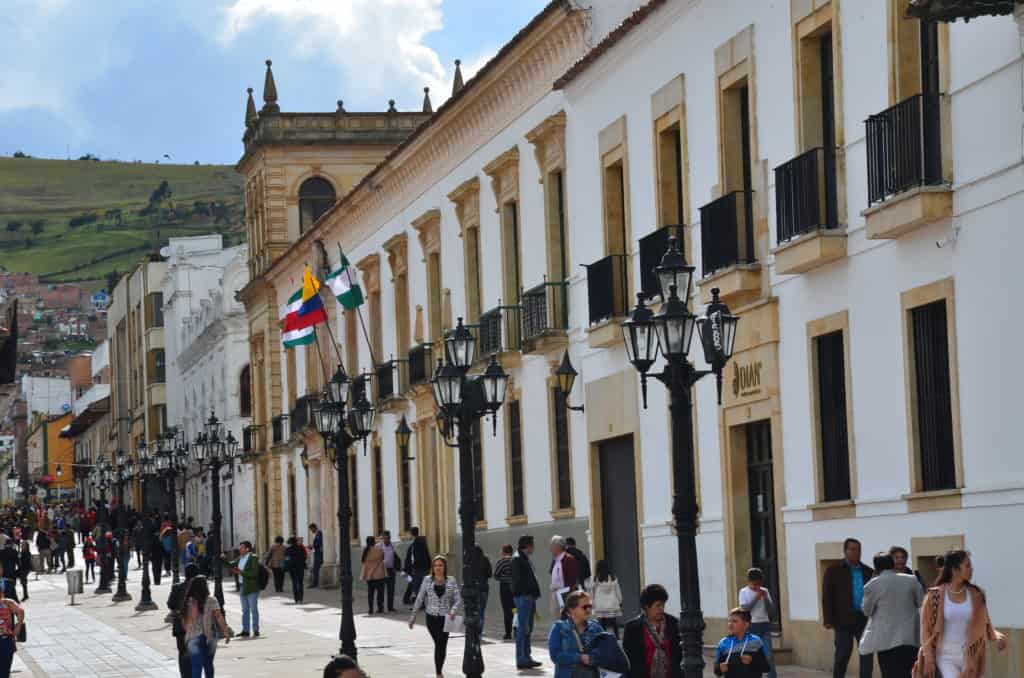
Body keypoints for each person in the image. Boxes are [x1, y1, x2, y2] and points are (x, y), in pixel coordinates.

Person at [915, 550, 1007, 678]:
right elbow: (926, 630)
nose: (971, 569)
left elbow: (985, 624)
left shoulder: (976, 594)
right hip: (945, 657)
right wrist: (929, 657)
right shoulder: (934, 596)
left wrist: (996, 636)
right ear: (955, 569)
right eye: (967, 566)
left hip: (971, 656)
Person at [859, 552, 922, 678]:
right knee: (909, 673)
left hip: (885, 641)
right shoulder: (911, 579)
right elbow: (921, 601)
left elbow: (866, 611)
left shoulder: (873, 584)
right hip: (909, 637)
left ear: (876, 567)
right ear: (892, 564)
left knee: (889, 674)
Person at [822, 538, 875, 678]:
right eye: (852, 549)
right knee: (842, 654)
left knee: (866, 654)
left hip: (864, 619)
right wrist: (828, 619)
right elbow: (827, 596)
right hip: (842, 620)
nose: (856, 552)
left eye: (858, 549)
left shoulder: (868, 571)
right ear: (845, 551)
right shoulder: (834, 570)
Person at [408, 555, 462, 678]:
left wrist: (453, 610)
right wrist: (413, 617)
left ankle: (439, 670)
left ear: (445, 567)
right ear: (432, 567)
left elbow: (458, 599)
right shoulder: (427, 580)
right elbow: (420, 598)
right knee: (439, 644)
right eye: (436, 565)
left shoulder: (451, 580)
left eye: (440, 565)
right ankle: (438, 673)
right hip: (431, 617)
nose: (438, 568)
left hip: (446, 618)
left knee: (443, 645)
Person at [623, 584, 683, 678]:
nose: (662, 609)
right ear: (647, 607)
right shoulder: (632, 629)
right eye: (658, 605)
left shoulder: (673, 624)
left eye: (663, 605)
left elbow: (679, 654)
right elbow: (630, 659)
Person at [181, 575, 233, 678]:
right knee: (208, 664)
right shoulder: (212, 600)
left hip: (193, 637)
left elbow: (185, 625)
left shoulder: (189, 601)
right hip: (210, 637)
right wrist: (225, 631)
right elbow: (219, 617)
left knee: (196, 666)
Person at [548, 590, 604, 678]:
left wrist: (594, 657)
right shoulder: (559, 627)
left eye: (590, 606)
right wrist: (580, 657)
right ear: (571, 610)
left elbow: (605, 652)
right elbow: (555, 656)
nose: (589, 610)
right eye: (585, 607)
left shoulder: (596, 627)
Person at [738, 567, 777, 678]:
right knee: (751, 655)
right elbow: (745, 609)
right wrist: (756, 597)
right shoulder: (744, 592)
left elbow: (772, 611)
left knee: (768, 655)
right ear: (749, 581)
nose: (757, 587)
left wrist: (765, 599)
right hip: (751, 626)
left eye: (759, 584)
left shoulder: (765, 591)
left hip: (764, 624)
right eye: (755, 584)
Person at [511, 535, 542, 670]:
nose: (534, 547)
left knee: (528, 628)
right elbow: (518, 581)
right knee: (523, 629)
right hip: (523, 597)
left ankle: (527, 656)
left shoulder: (523, 558)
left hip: (528, 597)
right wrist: (528, 592)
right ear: (527, 546)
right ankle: (521, 658)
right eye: (532, 545)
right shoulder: (518, 558)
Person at [713, 607, 772, 677]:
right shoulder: (723, 643)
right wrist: (719, 669)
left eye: (734, 621)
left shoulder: (756, 641)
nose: (730, 624)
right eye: (729, 621)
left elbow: (766, 667)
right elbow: (716, 670)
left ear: (746, 624)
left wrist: (752, 661)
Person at [224, 541, 261, 638]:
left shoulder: (253, 558)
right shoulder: (240, 558)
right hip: (242, 586)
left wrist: (241, 572)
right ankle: (245, 630)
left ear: (247, 549)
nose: (239, 549)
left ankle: (256, 629)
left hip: (251, 587)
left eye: (242, 547)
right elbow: (231, 564)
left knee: (253, 609)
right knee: (245, 610)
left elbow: (254, 573)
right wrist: (223, 560)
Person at [168, 564, 199, 678]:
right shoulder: (199, 588)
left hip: (181, 626)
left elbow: (170, 604)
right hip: (196, 626)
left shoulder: (177, 587)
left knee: (183, 653)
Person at [585, 559, 623, 638]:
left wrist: (591, 603)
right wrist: (620, 600)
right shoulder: (613, 578)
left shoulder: (595, 579)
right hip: (612, 604)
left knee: (602, 624)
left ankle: (603, 638)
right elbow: (618, 591)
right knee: (613, 623)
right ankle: (617, 637)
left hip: (600, 605)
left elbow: (589, 587)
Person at [548, 535, 580, 617]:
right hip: (556, 593)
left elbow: (572, 581)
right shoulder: (555, 560)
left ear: (557, 547)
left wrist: (568, 597)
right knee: (557, 617)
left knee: (566, 619)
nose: (550, 549)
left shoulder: (568, 559)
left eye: (551, 546)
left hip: (564, 595)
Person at [0, 575, 25, 678]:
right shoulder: (7, 602)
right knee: (4, 671)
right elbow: (20, 612)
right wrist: (18, 626)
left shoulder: (7, 602)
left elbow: (20, 611)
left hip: (5, 640)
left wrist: (18, 627)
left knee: (4, 671)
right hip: (6, 640)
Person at [402, 526, 430, 607]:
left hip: (418, 568)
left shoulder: (416, 543)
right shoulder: (422, 541)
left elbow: (415, 557)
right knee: (421, 586)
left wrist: (412, 566)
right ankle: (421, 604)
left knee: (417, 587)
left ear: (411, 534)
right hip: (423, 567)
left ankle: (421, 604)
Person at [493, 544, 516, 641]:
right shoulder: (515, 561)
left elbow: (496, 575)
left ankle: (508, 633)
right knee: (515, 609)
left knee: (507, 611)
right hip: (515, 588)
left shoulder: (501, 561)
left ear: (503, 551)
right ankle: (516, 630)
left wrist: (504, 578)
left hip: (505, 588)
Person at [360, 536, 387, 615]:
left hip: (369, 575)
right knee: (380, 593)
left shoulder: (365, 551)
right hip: (379, 574)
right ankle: (380, 608)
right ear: (374, 542)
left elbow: (362, 561)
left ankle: (370, 609)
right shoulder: (379, 550)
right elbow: (383, 558)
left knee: (370, 593)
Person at [378, 530, 400, 613]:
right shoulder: (379, 546)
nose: (385, 539)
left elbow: (396, 557)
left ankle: (390, 607)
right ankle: (380, 607)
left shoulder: (393, 546)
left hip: (391, 570)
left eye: (387, 538)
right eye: (384, 538)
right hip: (382, 570)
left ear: (389, 537)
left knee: (391, 589)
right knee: (381, 589)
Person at [472, 544, 492, 633]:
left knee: (473, 609)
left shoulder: (470, 560)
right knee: (482, 610)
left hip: (473, 588)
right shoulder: (485, 559)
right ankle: (480, 629)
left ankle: (474, 629)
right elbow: (490, 574)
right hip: (484, 587)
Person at [284, 536, 307, 604]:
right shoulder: (301, 548)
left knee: (294, 583)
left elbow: (286, 557)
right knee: (300, 583)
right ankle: (301, 599)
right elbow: (305, 557)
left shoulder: (288, 549)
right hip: (300, 567)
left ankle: (296, 599)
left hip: (292, 568)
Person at [309, 524, 324, 589]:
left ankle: (315, 583)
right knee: (316, 568)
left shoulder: (319, 533)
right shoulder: (317, 534)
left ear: (314, 528)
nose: (311, 531)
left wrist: (312, 546)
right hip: (317, 553)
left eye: (311, 529)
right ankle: (315, 582)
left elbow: (319, 543)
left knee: (316, 568)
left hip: (319, 553)